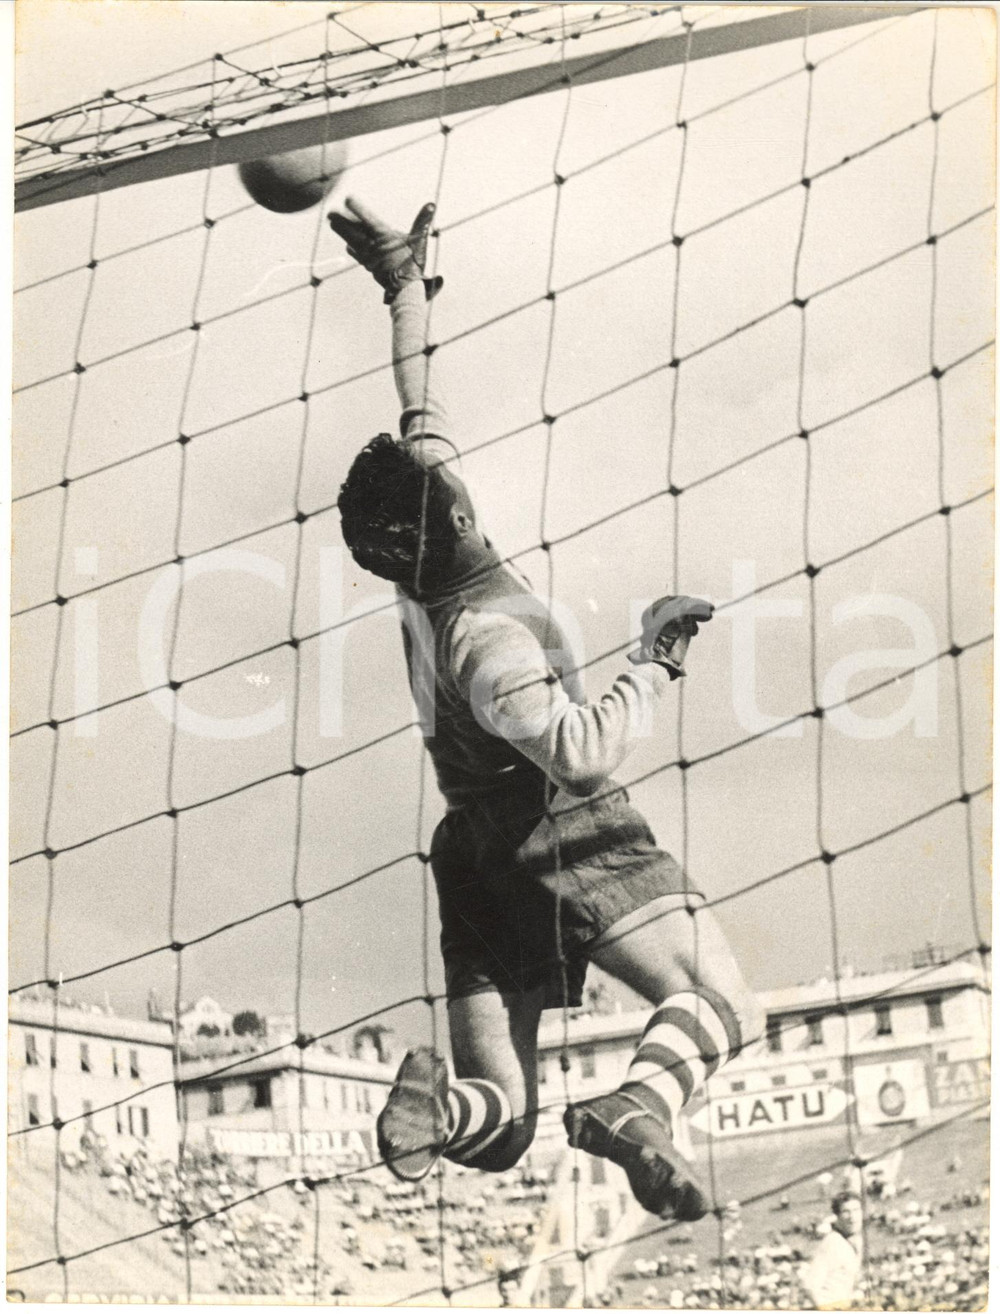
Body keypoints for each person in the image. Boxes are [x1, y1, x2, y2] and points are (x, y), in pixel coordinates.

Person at [327, 197, 763, 1221]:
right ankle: (639, 1108)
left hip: (470, 854)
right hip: (562, 831)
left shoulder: (418, 570)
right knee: (722, 1005)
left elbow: (416, 397)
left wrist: (404, 289)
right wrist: (652, 660)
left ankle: (444, 1109)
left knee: (507, 1122)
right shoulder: (491, 641)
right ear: (460, 513)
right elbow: (578, 751)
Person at [799, 1191, 865, 1309]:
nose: (852, 1217)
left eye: (856, 1210)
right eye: (846, 1212)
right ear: (837, 1216)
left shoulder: (853, 1242)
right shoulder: (832, 1243)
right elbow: (809, 1285)